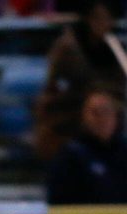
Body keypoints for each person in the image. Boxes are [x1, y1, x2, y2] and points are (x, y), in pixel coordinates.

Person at [34, 0, 123, 161]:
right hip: (70, 111)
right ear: (88, 18)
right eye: (97, 18)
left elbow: (120, 86)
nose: (102, 24)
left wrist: (105, 100)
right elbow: (56, 86)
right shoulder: (67, 48)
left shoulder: (116, 48)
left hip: (110, 110)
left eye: (107, 18)